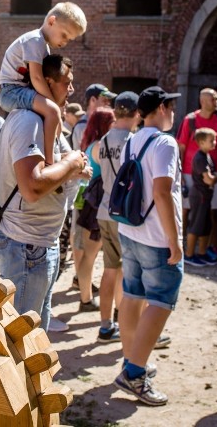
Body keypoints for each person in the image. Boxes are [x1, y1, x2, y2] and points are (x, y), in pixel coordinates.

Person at [0, 54, 91, 331]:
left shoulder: (45, 120)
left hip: (38, 244)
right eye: (67, 82)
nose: (72, 89)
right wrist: (71, 163)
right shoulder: (29, 122)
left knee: (34, 338)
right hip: (26, 246)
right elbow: (33, 186)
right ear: (47, 82)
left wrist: (72, 167)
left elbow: (54, 165)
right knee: (20, 342)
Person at [114, 86, 183, 407]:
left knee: (132, 295)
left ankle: (132, 359)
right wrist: (175, 240)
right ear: (160, 109)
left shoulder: (133, 139)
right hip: (156, 236)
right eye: (170, 107)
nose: (173, 113)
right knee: (161, 301)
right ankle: (135, 372)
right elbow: (162, 193)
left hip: (131, 229)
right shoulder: (165, 142)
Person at [0, 2, 87, 163]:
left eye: (69, 39)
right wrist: (53, 105)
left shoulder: (43, 46)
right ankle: (50, 162)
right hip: (10, 91)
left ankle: (54, 151)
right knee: (53, 112)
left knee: (54, 114)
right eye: (64, 35)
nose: (65, 42)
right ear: (52, 21)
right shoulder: (35, 41)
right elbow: (37, 78)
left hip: (20, 89)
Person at [95, 91, 141, 343]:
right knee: (127, 272)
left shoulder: (104, 139)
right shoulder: (133, 141)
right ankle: (126, 325)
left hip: (105, 207)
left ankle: (105, 325)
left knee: (110, 269)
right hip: (125, 213)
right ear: (136, 114)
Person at [177, 88, 217, 260]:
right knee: (187, 210)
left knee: (211, 212)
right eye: (213, 99)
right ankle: (183, 245)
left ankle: (207, 247)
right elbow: (182, 146)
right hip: (189, 173)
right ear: (203, 101)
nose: (216, 102)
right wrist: (179, 173)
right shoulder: (190, 120)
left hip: (213, 172)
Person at [74, 107, 115, 312]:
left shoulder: (91, 145)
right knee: (90, 256)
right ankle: (86, 299)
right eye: (113, 121)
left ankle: (86, 298)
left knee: (87, 256)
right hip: (98, 206)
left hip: (90, 205)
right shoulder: (101, 146)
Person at [183, 128, 217, 266]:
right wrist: (216, 178)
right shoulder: (199, 158)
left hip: (206, 195)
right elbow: (209, 180)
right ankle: (189, 255)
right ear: (202, 142)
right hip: (200, 196)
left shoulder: (207, 156)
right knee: (196, 225)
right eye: (212, 140)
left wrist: (213, 178)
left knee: (206, 226)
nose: (215, 143)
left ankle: (202, 253)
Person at [72, 84, 117, 150]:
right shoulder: (82, 126)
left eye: (108, 101)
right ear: (93, 100)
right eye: (104, 100)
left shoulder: (103, 122)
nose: (108, 103)